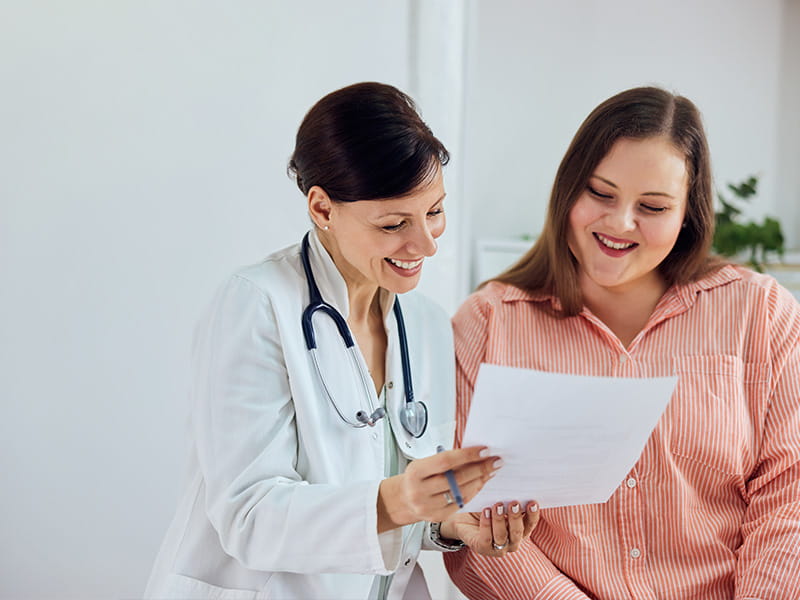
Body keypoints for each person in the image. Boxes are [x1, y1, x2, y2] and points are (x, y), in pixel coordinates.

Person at [144, 82, 538, 600]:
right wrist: (402, 500)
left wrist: (449, 526)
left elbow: (403, 506)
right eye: (395, 223)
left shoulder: (424, 324)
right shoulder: (255, 305)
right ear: (323, 208)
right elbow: (249, 516)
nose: (425, 244)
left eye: (434, 212)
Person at [444, 86, 800, 599]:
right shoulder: (488, 324)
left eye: (653, 206)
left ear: (687, 215)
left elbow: (788, 495)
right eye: (600, 193)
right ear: (568, 189)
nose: (619, 223)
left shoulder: (760, 313)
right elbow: (463, 512)